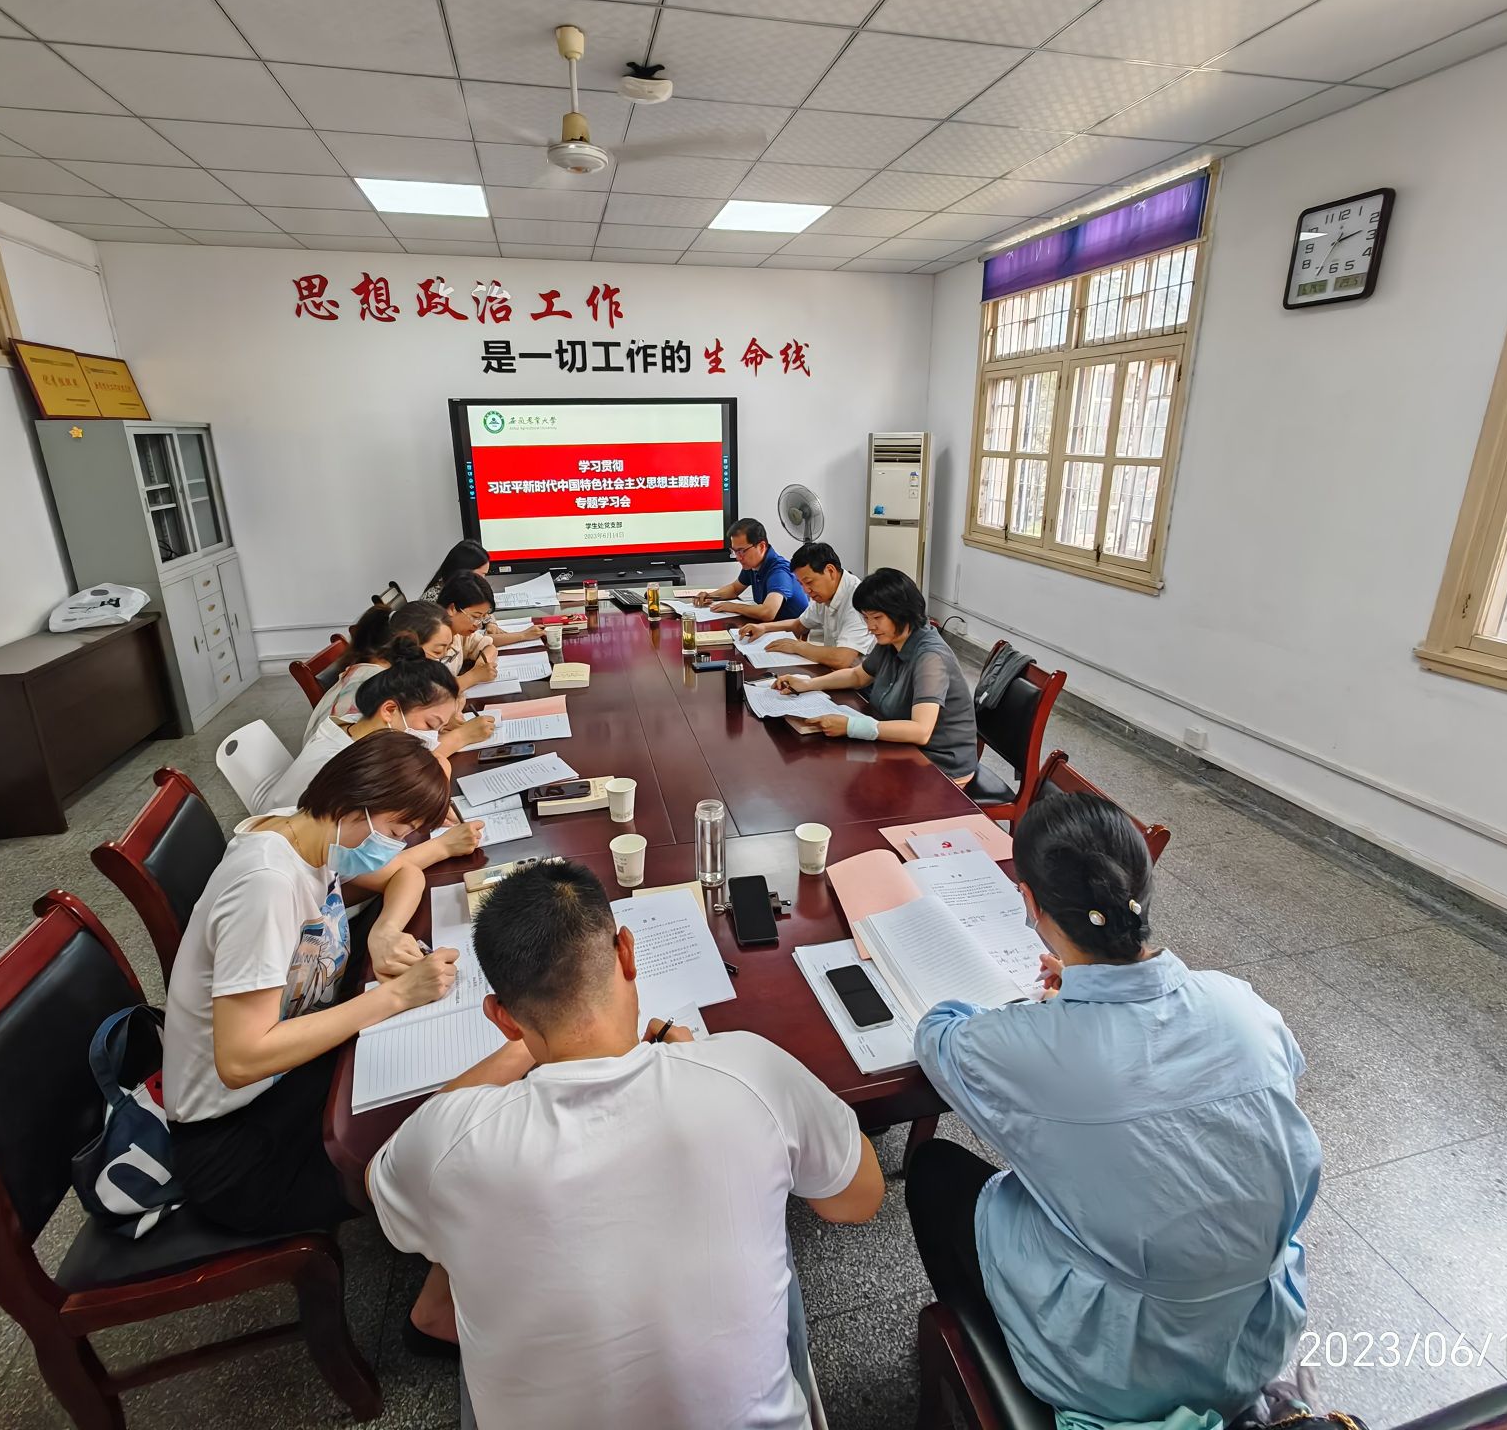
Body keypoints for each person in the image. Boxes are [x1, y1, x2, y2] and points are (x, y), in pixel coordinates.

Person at [367, 862, 884, 1427]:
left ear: (501, 1018)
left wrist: (528, 1041)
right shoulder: (749, 1070)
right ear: (628, 954)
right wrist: (698, 1062)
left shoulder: (446, 1141)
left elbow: (383, 1175)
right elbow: (858, 1199)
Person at [908, 792, 1321, 1424]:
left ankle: (995, 1348)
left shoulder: (1032, 1048)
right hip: (1255, 1340)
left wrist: (1056, 1011)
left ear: (1029, 903)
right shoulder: (1240, 1003)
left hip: (1120, 1368)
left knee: (935, 1171)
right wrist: (1083, 989)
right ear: (1141, 894)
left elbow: (938, 1036)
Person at [165, 732, 461, 1234]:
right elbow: (240, 1061)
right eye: (396, 830)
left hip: (290, 1074)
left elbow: (404, 875)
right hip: (237, 1146)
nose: (396, 845)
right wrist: (394, 997)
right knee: (438, 1154)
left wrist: (385, 933)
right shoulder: (266, 885)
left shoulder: (308, 831)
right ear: (355, 804)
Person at [772, 567, 978, 784]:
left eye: (877, 617)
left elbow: (921, 731)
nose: (871, 627)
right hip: (903, 747)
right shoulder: (893, 639)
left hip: (939, 764)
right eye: (866, 618)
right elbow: (858, 676)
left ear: (902, 612)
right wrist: (808, 684)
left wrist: (850, 726)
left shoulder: (930, 658)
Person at [266, 652, 492, 813]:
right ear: (389, 710)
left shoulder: (358, 726)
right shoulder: (351, 764)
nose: (432, 737)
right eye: (430, 724)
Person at [303, 599, 453, 747]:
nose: (441, 659)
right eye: (437, 651)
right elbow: (373, 752)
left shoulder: (383, 670)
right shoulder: (375, 684)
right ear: (409, 643)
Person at [737, 539, 871, 668]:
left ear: (830, 571)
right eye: (801, 584)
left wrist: (798, 646)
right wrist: (764, 627)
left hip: (859, 680)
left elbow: (842, 659)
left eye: (809, 582)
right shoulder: (824, 593)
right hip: (836, 671)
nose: (806, 590)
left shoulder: (858, 600)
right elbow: (799, 625)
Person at [424, 538, 540, 643]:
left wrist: (491, 623)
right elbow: (474, 640)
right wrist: (523, 635)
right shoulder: (437, 601)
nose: (483, 580)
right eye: (481, 574)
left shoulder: (461, 589)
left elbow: (483, 611)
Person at [698, 517, 810, 623]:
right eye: (735, 551)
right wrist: (709, 596)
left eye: (741, 551)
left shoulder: (779, 572)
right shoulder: (752, 565)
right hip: (772, 627)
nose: (738, 557)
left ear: (761, 546)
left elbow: (768, 612)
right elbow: (734, 589)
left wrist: (733, 607)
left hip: (793, 632)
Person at [435, 571, 505, 692]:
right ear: (452, 609)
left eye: (482, 617)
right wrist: (474, 676)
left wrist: (480, 666)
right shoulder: (430, 640)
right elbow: (433, 692)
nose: (478, 624)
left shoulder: (458, 634)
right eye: (475, 616)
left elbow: (489, 647)